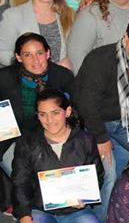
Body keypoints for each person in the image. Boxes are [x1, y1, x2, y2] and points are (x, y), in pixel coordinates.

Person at [13, 89, 106, 223]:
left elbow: (97, 175)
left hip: (76, 211)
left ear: (68, 111)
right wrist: (24, 217)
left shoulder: (85, 140)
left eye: (55, 113)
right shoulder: (27, 143)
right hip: (41, 211)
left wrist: (86, 197)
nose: (49, 120)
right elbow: (20, 182)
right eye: (42, 114)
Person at [73, 16, 129, 206]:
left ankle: (128, 208)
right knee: (109, 173)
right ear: (126, 37)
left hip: (124, 120)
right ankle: (105, 219)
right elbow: (86, 104)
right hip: (91, 123)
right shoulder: (100, 59)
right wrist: (101, 138)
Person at [0, 34, 75, 176]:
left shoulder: (63, 76)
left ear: (48, 53)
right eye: (28, 55)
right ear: (18, 57)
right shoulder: (4, 79)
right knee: (25, 177)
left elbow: (74, 114)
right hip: (12, 140)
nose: (35, 60)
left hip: (54, 136)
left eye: (39, 53)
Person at [0, 0, 74, 68]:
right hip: (26, 77)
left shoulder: (68, 15)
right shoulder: (13, 15)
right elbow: (3, 53)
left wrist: (69, 62)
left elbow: (76, 49)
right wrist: (28, 64)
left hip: (61, 76)